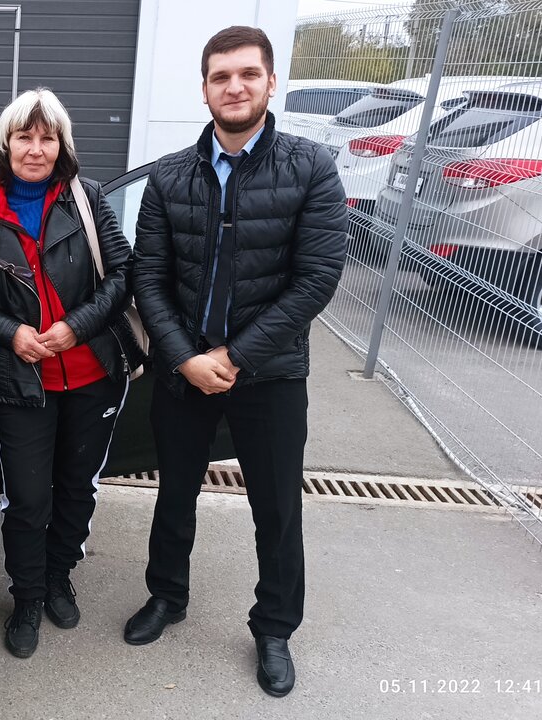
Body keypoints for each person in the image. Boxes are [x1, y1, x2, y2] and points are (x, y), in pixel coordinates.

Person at [124, 26, 347, 697]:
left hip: (271, 375)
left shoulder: (310, 168)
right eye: (221, 76)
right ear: (205, 90)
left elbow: (316, 278)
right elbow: (148, 279)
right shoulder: (169, 177)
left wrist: (237, 356)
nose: (235, 87)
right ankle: (167, 594)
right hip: (184, 372)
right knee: (174, 492)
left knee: (276, 508)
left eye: (248, 74)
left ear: (271, 82)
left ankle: (274, 627)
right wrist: (185, 357)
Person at [0, 88, 140, 659]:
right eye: (25, 136)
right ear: (7, 142)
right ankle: (26, 597)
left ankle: (57, 577)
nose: (36, 148)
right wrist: (11, 332)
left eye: (48, 138)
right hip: (22, 381)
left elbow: (123, 274)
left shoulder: (87, 198)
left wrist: (76, 327)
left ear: (61, 145)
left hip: (92, 374)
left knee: (77, 487)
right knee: (26, 499)